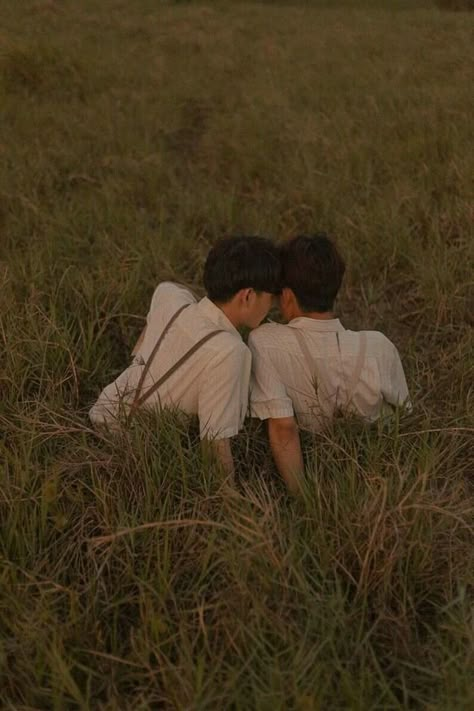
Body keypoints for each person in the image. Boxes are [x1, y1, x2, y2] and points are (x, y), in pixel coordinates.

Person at [89, 235, 281, 479]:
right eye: (272, 296)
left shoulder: (171, 297)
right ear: (248, 296)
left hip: (101, 413)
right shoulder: (230, 352)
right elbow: (214, 445)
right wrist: (235, 509)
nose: (273, 305)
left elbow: (141, 343)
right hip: (136, 455)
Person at [248, 233, 411, 494]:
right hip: (379, 481)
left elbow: (283, 428)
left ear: (287, 296)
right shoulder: (379, 347)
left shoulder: (265, 342)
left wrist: (303, 499)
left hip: (305, 477)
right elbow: (402, 419)